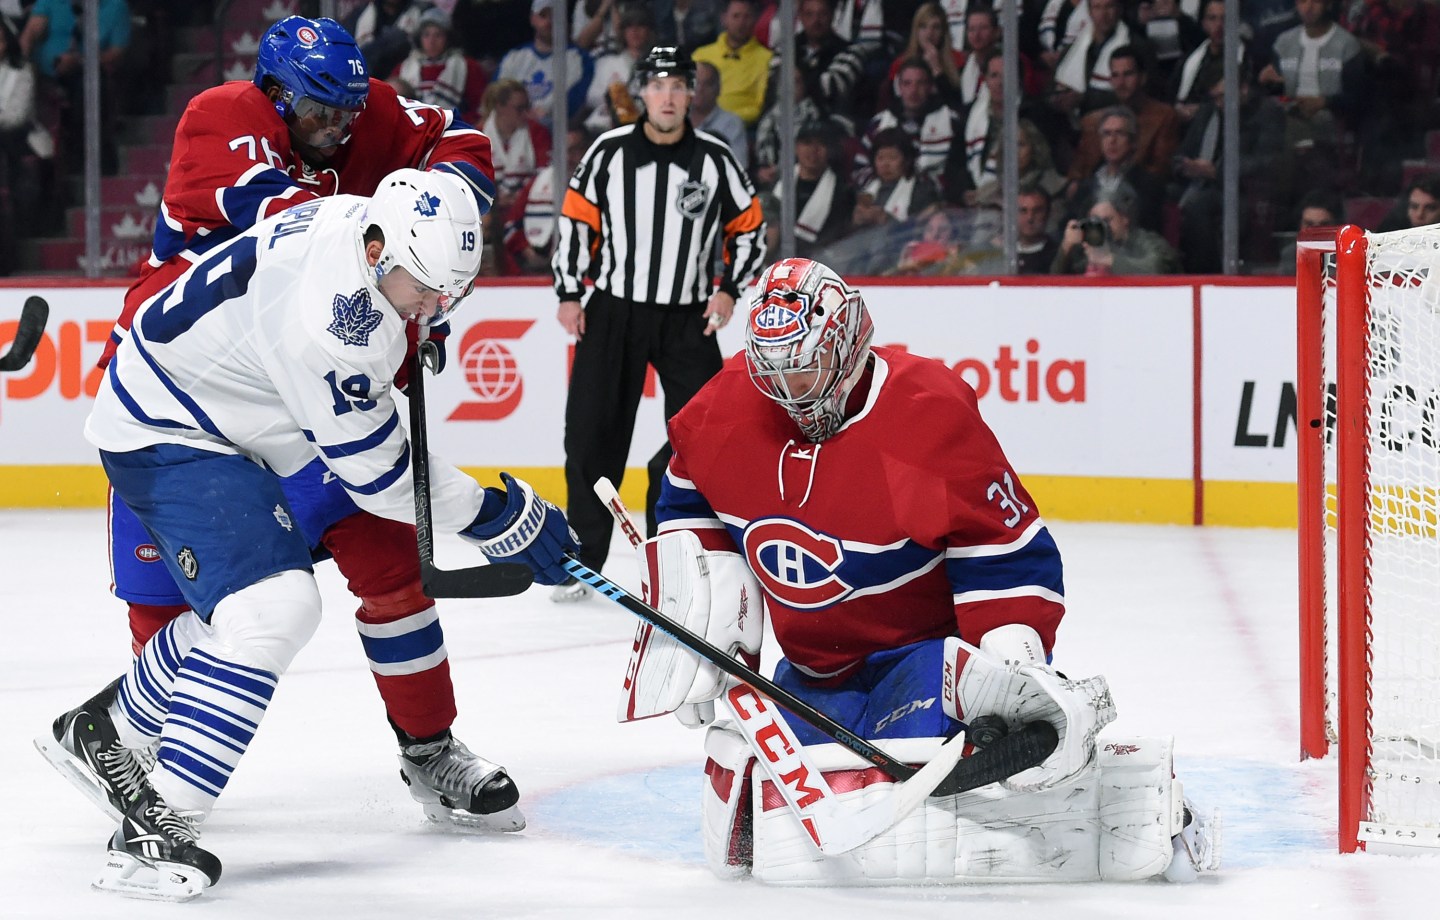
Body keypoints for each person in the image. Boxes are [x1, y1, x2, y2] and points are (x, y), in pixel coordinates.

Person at [49, 168, 578, 901]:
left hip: (238, 411)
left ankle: (105, 725)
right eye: (425, 289)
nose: (433, 307)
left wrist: (420, 305)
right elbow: (381, 477)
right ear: (377, 251)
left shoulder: (364, 223)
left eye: (449, 293)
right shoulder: (338, 321)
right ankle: (153, 828)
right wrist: (501, 515)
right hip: (172, 426)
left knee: (287, 596)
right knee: (273, 608)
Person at [616, 257, 1219, 884]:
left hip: (920, 658)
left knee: (936, 787)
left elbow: (1003, 548)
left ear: (847, 343)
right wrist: (701, 630)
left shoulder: (927, 413)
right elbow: (689, 515)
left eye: (805, 367)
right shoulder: (720, 412)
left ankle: (1147, 805)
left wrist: (1012, 663)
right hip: (812, 671)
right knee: (760, 804)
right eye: (774, 372)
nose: (790, 391)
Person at [81, 16, 522, 836]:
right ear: (276, 95)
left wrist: (429, 252)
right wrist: (402, 264)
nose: (339, 128)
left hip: (305, 402)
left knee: (392, 567)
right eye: (320, 113)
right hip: (187, 398)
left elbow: (459, 142)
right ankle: (145, 753)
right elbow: (297, 226)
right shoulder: (222, 116)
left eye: (348, 112)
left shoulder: (362, 108)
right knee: (172, 610)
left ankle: (430, 749)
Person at [551, 45, 766, 601]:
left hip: (687, 318)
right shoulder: (608, 152)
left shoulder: (715, 158)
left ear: (691, 94)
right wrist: (570, 291)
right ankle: (583, 560)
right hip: (614, 311)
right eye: (657, 86)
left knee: (701, 437)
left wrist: (729, 289)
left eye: (677, 86)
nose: (667, 97)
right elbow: (576, 220)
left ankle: (675, 554)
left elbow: (749, 228)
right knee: (591, 435)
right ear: (641, 93)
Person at [1066, 46, 1180, 184]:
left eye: (1128, 74)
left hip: (1138, 189)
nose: (1120, 83)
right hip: (1095, 189)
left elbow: (1160, 171)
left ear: (1142, 78)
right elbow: (1078, 171)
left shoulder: (1164, 116)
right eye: (1115, 76)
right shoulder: (1094, 121)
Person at [759, 122, 854, 258]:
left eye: (821, 144)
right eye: (807, 143)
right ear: (796, 147)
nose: (813, 150)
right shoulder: (776, 181)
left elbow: (836, 236)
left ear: (830, 150)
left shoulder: (843, 192)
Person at [496, 0, 595, 126]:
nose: (549, 22)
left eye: (555, 16)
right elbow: (496, 94)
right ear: (532, 18)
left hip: (557, 127)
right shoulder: (513, 57)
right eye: (543, 16)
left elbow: (575, 101)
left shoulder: (579, 58)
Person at [389, 7, 488, 124]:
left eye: (438, 35)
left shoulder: (467, 67)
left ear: (448, 38)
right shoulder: (403, 68)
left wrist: (454, 124)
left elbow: (480, 108)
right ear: (419, 38)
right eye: (426, 35)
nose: (431, 41)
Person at [1054, 186, 1181, 274]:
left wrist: (1108, 259)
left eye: (1107, 220)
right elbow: (1052, 287)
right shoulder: (1089, 246)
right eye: (1096, 221)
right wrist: (1066, 247)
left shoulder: (1147, 241)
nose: (1102, 227)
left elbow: (1156, 269)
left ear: (1124, 218)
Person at [692, 0, 771, 127]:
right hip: (700, 122)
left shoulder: (766, 58)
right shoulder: (701, 55)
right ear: (724, 19)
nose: (741, 23)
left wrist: (726, 118)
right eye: (736, 16)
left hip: (743, 126)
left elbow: (759, 106)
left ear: (755, 19)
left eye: (747, 17)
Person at [689, 60, 749, 168]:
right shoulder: (674, 118)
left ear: (718, 89)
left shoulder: (732, 123)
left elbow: (739, 167)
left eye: (707, 84)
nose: (700, 89)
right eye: (696, 83)